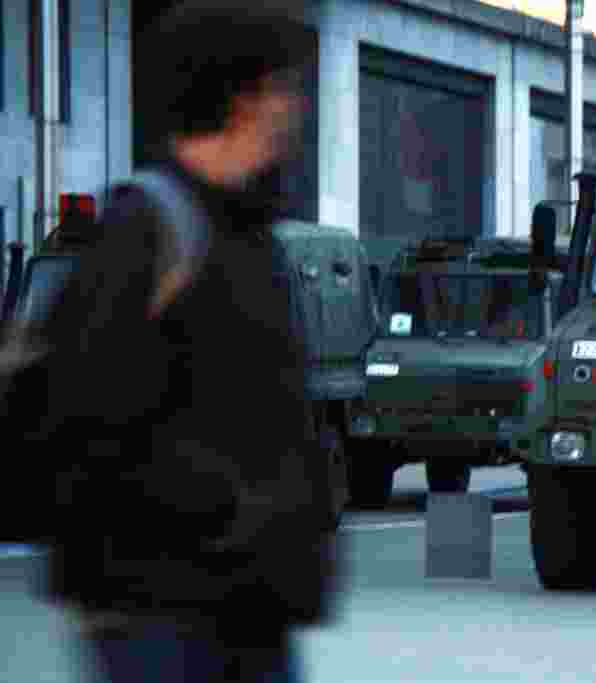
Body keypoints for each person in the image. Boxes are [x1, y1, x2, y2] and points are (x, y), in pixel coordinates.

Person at [37, 4, 337, 681]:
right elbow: (83, 419)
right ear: (239, 97)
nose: (294, 107)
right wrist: (225, 511)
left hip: (252, 611)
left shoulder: (251, 235)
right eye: (281, 87)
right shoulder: (147, 230)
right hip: (162, 616)